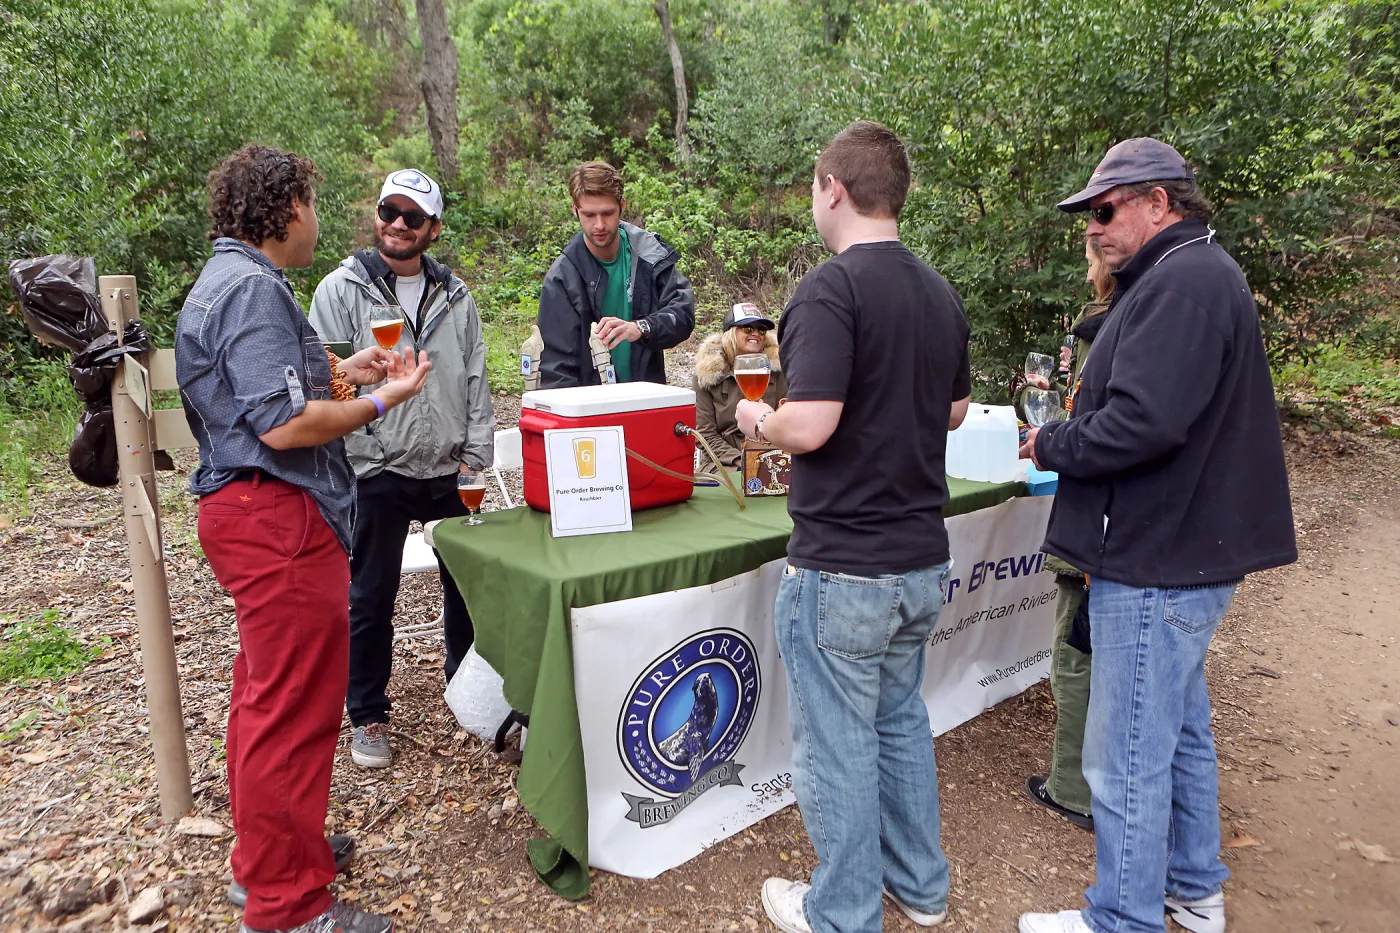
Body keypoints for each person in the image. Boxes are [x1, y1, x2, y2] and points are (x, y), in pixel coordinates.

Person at [1017, 138, 1297, 933]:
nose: (1094, 229)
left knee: (1125, 755)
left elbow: (1144, 422)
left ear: (1157, 203)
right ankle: (1192, 891)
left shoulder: (1185, 282)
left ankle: (1124, 918)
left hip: (1160, 557)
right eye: (1088, 216)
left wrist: (1054, 442)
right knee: (1176, 733)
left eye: (1105, 211)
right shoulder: (1186, 274)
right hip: (1171, 547)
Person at [178, 144, 432, 933]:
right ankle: (289, 907)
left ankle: (268, 862)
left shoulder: (231, 282)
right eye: (313, 204)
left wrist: (349, 367)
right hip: (276, 520)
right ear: (286, 210)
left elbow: (271, 387)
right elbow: (284, 424)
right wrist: (383, 400)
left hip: (254, 514)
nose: (319, 220)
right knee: (293, 711)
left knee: (263, 699)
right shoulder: (253, 290)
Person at [735, 121, 973, 933]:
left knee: (836, 745)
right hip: (917, 560)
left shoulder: (829, 290)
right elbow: (954, 408)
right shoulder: (939, 291)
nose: (812, 199)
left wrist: (755, 417)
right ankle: (921, 886)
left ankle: (841, 913)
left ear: (831, 187)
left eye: (812, 186)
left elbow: (813, 423)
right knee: (901, 720)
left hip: (842, 567)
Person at [310, 169, 495, 770]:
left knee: (467, 588)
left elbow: (475, 378)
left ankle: (467, 699)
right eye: (389, 210)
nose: (396, 223)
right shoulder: (341, 290)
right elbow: (322, 379)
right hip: (374, 466)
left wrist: (477, 455)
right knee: (369, 596)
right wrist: (350, 456)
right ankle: (367, 714)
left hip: (446, 466)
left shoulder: (456, 295)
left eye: (412, 216)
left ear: (432, 229)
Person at [1022, 237, 1114, 832]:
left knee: (1075, 656)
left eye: (1089, 254)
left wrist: (1051, 441)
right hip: (1109, 530)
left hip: (1095, 535)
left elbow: (1097, 430)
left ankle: (1073, 787)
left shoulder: (1108, 328)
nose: (1086, 263)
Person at [536, 161, 695, 387]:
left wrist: (640, 328)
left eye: (607, 213)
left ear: (622, 205)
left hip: (645, 398)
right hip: (591, 408)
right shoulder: (563, 277)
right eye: (589, 215)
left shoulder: (649, 254)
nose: (599, 225)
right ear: (575, 210)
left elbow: (683, 314)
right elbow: (556, 369)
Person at [693, 302, 789, 469]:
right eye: (747, 328)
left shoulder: (777, 370)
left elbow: (788, 420)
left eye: (761, 330)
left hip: (772, 456)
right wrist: (741, 461)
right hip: (724, 461)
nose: (756, 333)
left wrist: (768, 458)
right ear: (731, 333)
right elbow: (704, 434)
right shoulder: (707, 375)